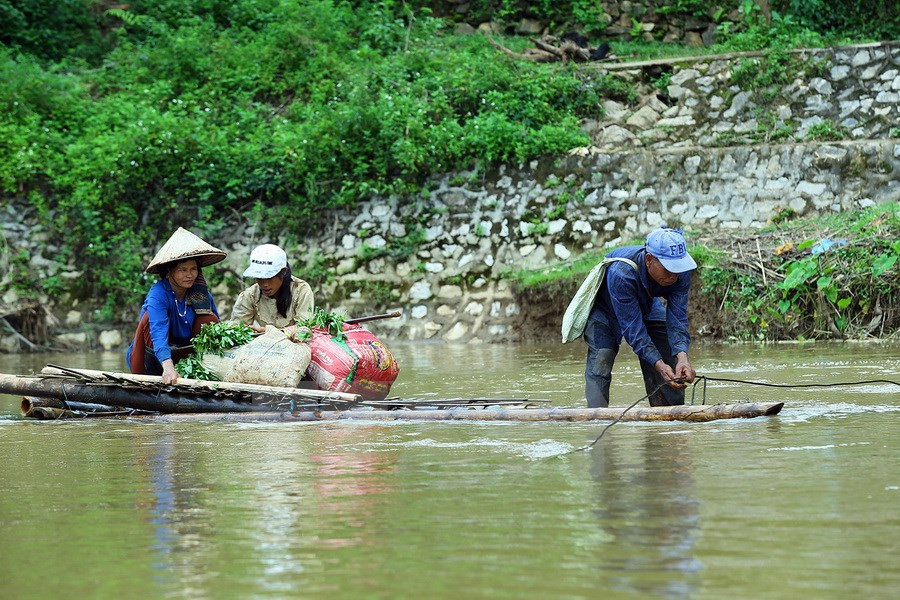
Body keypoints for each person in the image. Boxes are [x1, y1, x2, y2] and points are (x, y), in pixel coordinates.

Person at [581, 227, 698, 408]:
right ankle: (597, 420)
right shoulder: (622, 273)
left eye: (678, 268)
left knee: (667, 357)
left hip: (648, 303)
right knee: (602, 359)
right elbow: (633, 330)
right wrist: (658, 364)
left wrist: (682, 357)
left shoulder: (681, 272)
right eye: (669, 268)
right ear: (649, 260)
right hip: (605, 309)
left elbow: (677, 319)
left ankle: (670, 422)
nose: (674, 275)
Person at [125, 228, 226, 384]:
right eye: (182, 270)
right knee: (146, 319)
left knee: (208, 318)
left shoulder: (200, 293)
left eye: (193, 269)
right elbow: (157, 331)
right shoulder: (158, 293)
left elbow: (216, 326)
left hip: (184, 353)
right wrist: (168, 366)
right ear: (168, 273)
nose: (189, 275)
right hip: (153, 356)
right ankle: (146, 376)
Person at [230, 244, 314, 338]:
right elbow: (235, 328)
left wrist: (271, 332)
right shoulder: (250, 295)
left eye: (269, 277)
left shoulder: (301, 291)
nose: (265, 284)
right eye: (260, 277)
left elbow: (305, 330)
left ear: (283, 272)